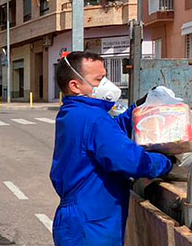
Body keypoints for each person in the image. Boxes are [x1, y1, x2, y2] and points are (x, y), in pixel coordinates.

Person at [51, 51, 173, 246]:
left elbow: (106, 137)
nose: (106, 83)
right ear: (75, 86)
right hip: (92, 223)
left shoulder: (74, 113)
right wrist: (166, 162)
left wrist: (135, 110)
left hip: (82, 218)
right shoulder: (93, 118)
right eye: (99, 79)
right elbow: (130, 161)